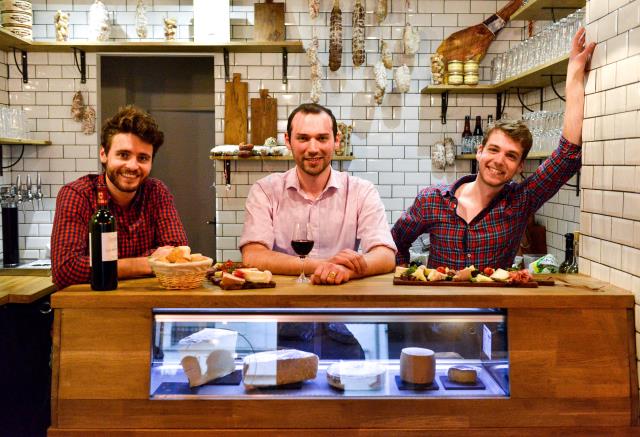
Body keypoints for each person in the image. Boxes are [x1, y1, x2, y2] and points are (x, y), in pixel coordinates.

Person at [391, 28, 596, 270]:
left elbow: (567, 156)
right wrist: (407, 283)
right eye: (494, 150)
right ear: (480, 151)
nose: (499, 161)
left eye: (511, 156)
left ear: (520, 166)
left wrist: (573, 74)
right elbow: (393, 243)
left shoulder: (520, 202)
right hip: (440, 306)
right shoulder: (432, 200)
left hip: (495, 307)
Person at [240, 102, 396, 285]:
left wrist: (346, 270)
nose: (313, 148)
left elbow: (385, 255)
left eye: (322, 138)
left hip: (342, 303)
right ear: (288, 141)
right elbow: (253, 255)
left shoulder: (361, 191)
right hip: (282, 303)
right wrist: (326, 266)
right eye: (303, 138)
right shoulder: (265, 191)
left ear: (336, 140)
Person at [51, 105, 188, 289]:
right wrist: (148, 262)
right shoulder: (77, 195)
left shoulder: (156, 191)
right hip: (89, 310)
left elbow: (177, 253)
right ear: (103, 154)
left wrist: (101, 265)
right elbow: (65, 270)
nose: (132, 166)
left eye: (143, 158)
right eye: (123, 155)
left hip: (144, 304)